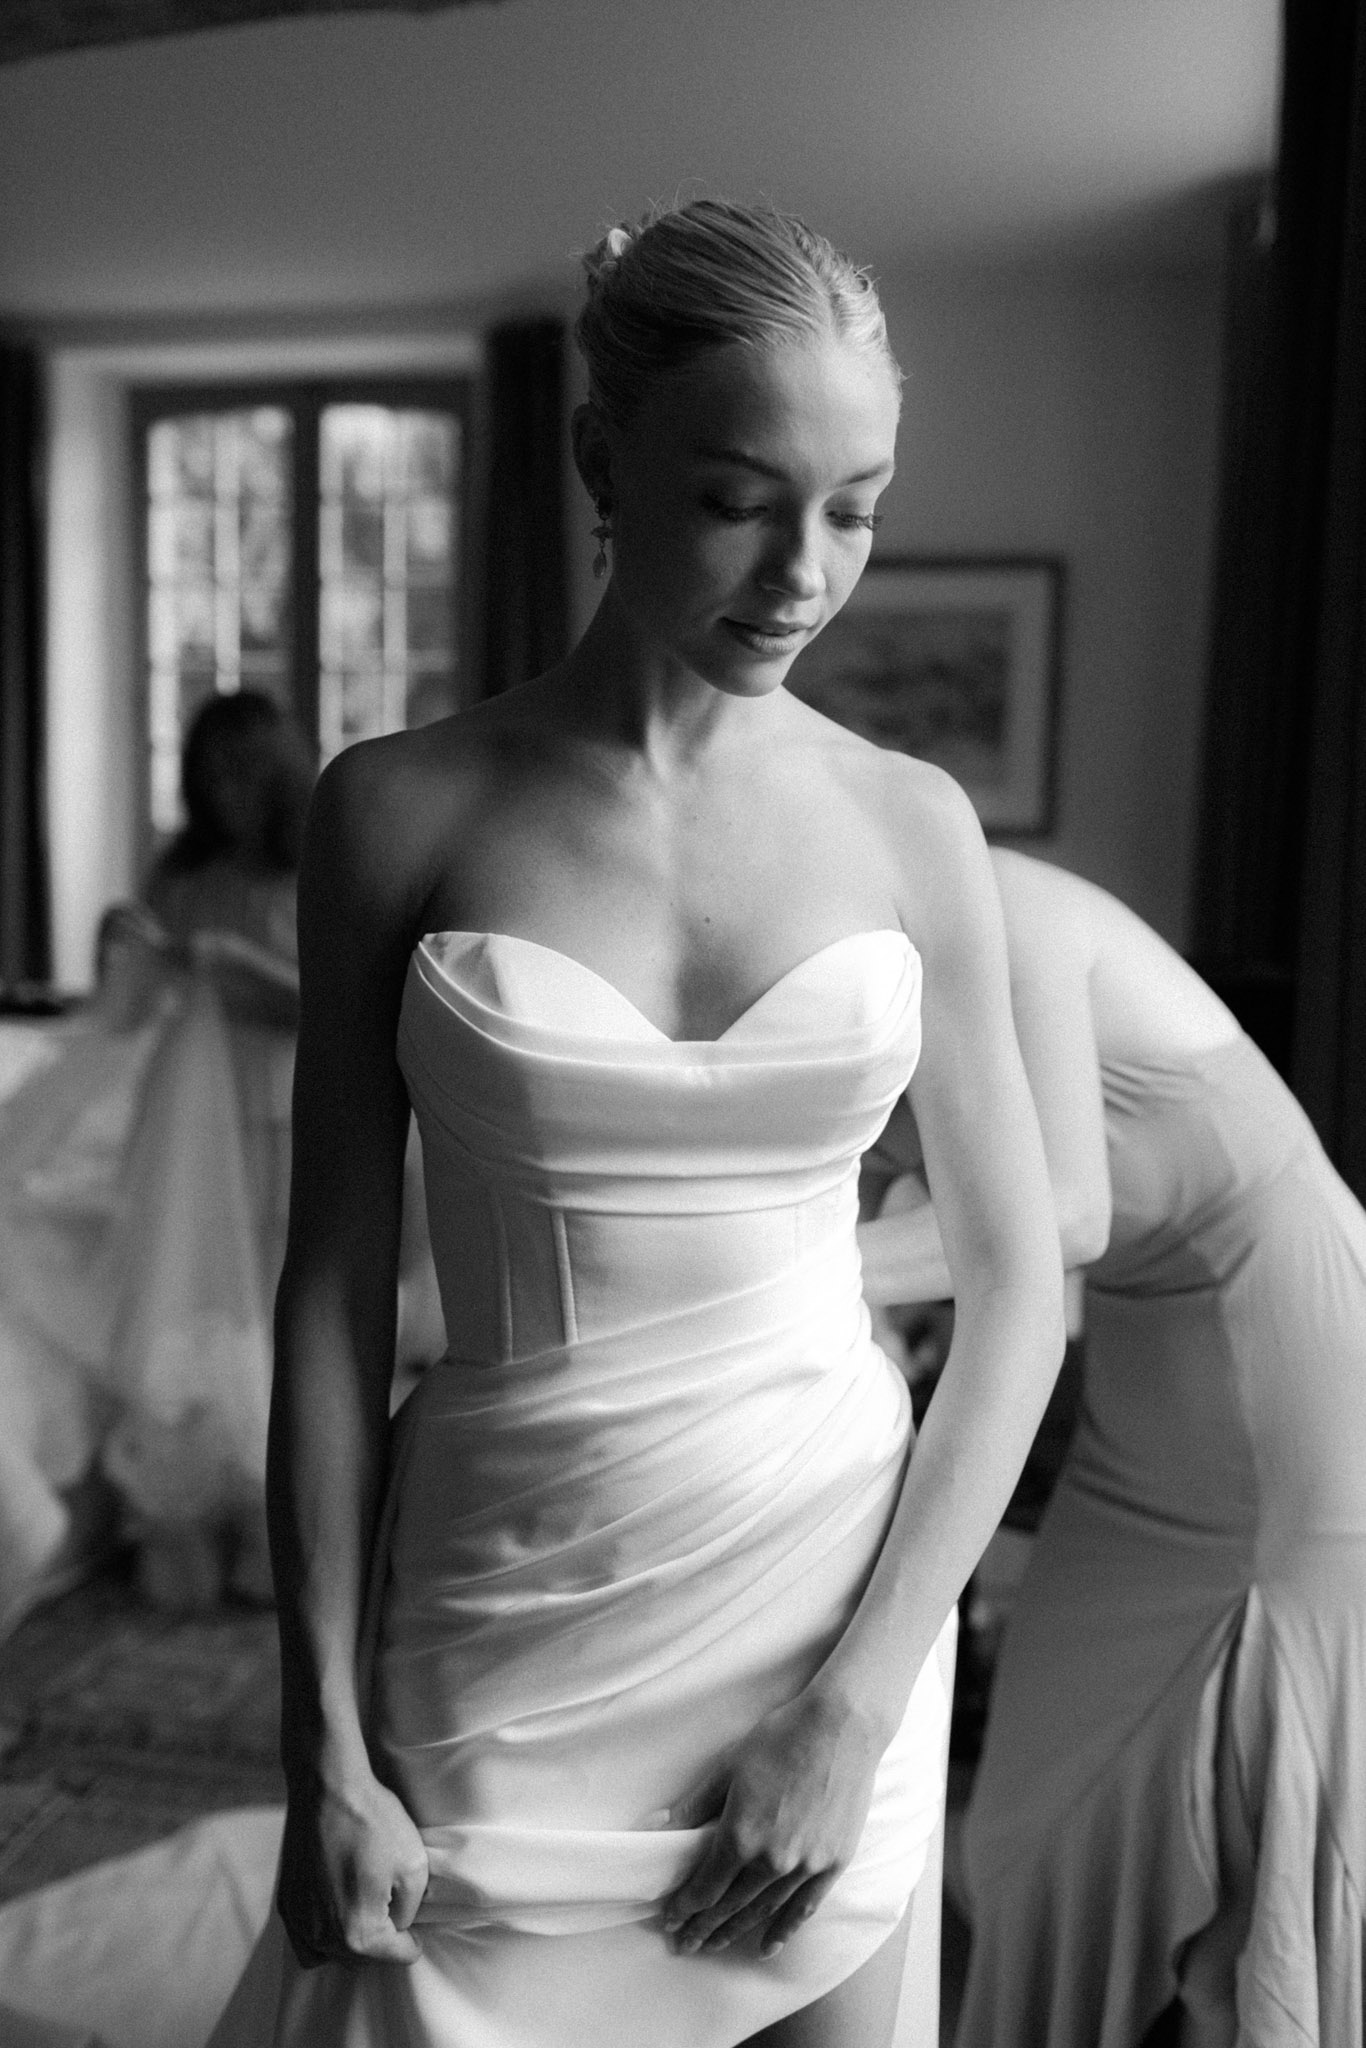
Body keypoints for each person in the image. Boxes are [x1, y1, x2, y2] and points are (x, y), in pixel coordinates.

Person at [207, 199, 1064, 2048]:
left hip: (828, 1597)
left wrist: (857, 1702)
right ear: (603, 456)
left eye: (856, 508)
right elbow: (333, 1297)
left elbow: (1019, 1292)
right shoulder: (395, 808)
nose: (803, 572)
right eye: (740, 499)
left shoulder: (912, 824)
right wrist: (321, 1738)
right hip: (504, 1610)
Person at [859, 848, 1366, 2048]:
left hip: (1301, 1361)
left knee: (1259, 1837)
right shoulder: (856, 995)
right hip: (1151, 1409)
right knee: (1021, 1830)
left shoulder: (1007, 907)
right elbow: (901, 1213)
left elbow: (1066, 1208)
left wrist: (782, 1283)